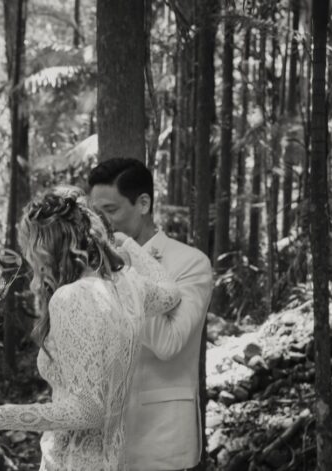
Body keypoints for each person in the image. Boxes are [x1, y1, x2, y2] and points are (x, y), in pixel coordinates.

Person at [0, 190, 181, 470]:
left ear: (47, 247)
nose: (30, 259)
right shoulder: (129, 286)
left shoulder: (71, 298)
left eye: (31, 248)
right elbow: (171, 292)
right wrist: (129, 244)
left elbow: (88, 411)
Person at [88, 158, 214, 471]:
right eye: (95, 212)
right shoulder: (89, 270)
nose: (100, 223)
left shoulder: (191, 263)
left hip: (162, 440)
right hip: (101, 444)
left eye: (111, 210)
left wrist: (124, 269)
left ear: (143, 203)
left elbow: (169, 344)